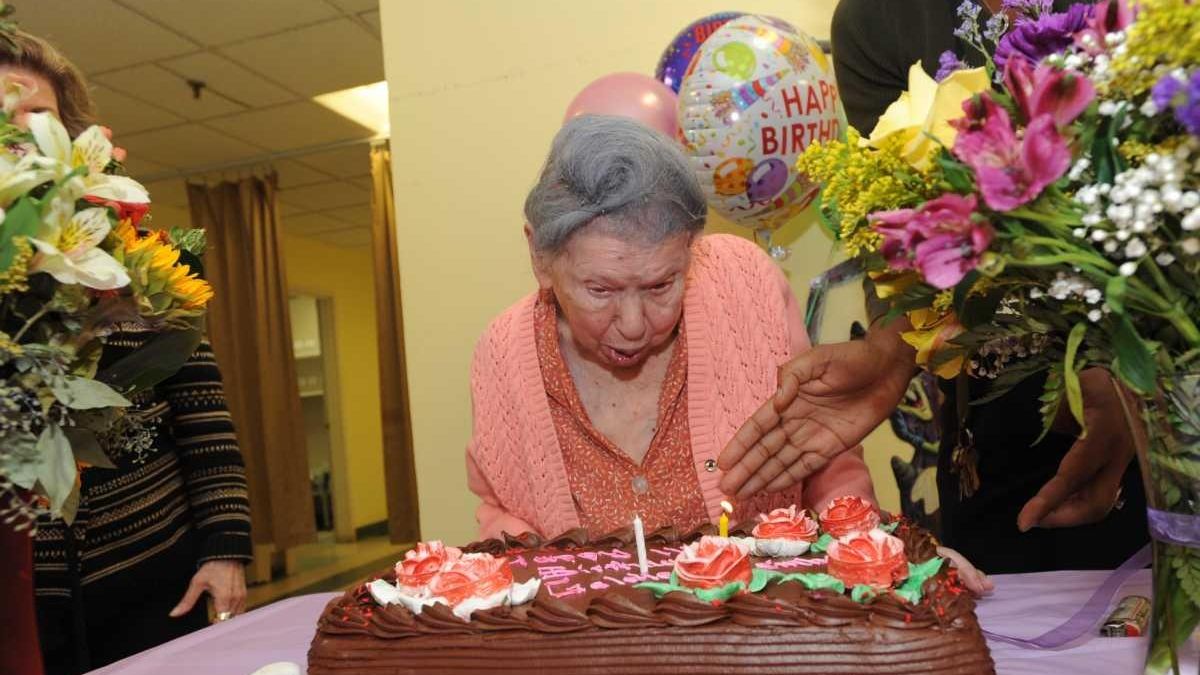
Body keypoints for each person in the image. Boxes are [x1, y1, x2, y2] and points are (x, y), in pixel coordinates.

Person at [464, 115, 991, 593]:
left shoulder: (746, 285)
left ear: (693, 250)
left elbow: (826, 463)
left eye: (660, 284)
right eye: (600, 290)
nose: (632, 324)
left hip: (764, 635)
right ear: (539, 255)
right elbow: (502, 512)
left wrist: (883, 560)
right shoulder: (503, 353)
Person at [718, 0, 1149, 574]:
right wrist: (889, 351)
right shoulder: (878, 22)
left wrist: (1130, 376)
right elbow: (908, 232)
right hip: (999, 423)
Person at [2, 30, 253, 674]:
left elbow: (205, 421)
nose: (18, 125)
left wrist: (225, 551)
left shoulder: (139, 258)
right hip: (22, 606)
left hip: (157, 579)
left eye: (37, 112)